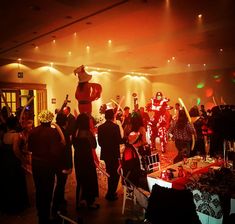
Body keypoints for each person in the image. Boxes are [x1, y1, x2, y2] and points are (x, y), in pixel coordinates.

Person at [28, 110, 65, 224]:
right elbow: (55, 151)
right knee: (48, 190)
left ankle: (41, 213)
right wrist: (61, 145)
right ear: (49, 120)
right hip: (48, 165)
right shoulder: (52, 132)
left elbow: (30, 148)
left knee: (39, 189)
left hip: (36, 164)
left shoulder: (33, 131)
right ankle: (46, 215)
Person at [0, 116, 29, 213]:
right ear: (15, 124)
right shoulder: (16, 135)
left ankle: (7, 205)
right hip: (14, 163)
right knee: (16, 183)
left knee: (8, 183)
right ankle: (17, 206)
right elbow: (15, 150)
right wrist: (22, 159)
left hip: (5, 163)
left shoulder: (4, 135)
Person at [72, 113, 99, 210]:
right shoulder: (87, 133)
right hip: (87, 158)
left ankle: (80, 201)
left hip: (78, 158)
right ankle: (89, 202)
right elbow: (94, 145)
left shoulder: (75, 132)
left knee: (81, 179)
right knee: (89, 179)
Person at [98, 108, 123, 201]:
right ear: (113, 116)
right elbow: (118, 140)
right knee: (116, 173)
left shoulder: (100, 128)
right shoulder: (115, 127)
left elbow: (100, 143)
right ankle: (111, 193)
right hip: (114, 153)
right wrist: (126, 139)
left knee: (109, 173)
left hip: (106, 153)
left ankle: (110, 192)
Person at [52, 112, 73, 216]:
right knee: (60, 184)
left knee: (59, 184)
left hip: (54, 162)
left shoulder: (53, 131)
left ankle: (59, 201)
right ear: (66, 122)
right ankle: (56, 207)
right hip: (62, 163)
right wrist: (69, 165)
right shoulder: (64, 132)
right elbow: (68, 150)